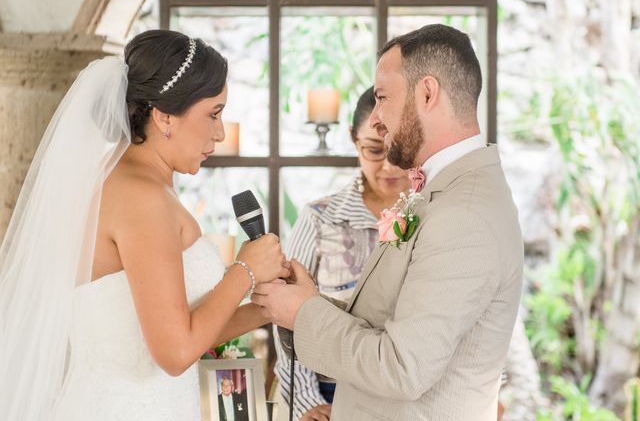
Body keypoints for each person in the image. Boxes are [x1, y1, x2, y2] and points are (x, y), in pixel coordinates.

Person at [0, 30, 289, 420]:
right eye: (214, 114)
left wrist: (270, 308)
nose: (220, 132)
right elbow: (174, 353)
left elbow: (166, 332)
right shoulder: (142, 197)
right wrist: (246, 269)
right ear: (164, 115)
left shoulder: (133, 183)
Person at [253, 24, 524, 420]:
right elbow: (385, 321)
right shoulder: (442, 191)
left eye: (382, 97)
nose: (377, 118)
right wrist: (309, 299)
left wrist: (304, 312)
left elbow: (402, 368)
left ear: (427, 93)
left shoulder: (464, 214)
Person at [273, 87, 411, 420]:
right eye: (374, 150)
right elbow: (287, 318)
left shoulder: (434, 219)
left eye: (400, 152)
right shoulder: (320, 218)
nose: (389, 167)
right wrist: (308, 402)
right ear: (353, 140)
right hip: (329, 393)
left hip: (408, 393)